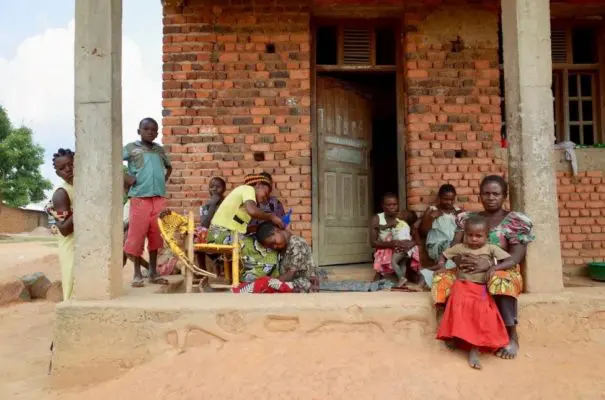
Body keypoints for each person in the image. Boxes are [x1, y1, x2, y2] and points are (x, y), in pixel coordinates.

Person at [431, 175, 535, 360]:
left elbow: (517, 256)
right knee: (443, 279)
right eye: (486, 193)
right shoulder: (468, 219)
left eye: (496, 193)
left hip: (503, 267)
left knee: (501, 282)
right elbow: (455, 247)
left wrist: (491, 264)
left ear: (504, 196)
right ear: (480, 195)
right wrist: (459, 261)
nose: (491, 197)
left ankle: (511, 335)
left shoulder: (515, 221)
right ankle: (454, 330)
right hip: (467, 269)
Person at [434, 216, 512, 370]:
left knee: (480, 313)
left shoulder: (491, 248)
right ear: (465, 234)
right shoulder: (461, 247)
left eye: (478, 236)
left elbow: (508, 261)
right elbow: (443, 255)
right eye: (470, 235)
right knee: (456, 305)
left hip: (480, 288)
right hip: (462, 285)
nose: (474, 239)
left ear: (486, 236)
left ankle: (474, 349)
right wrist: (441, 264)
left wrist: (493, 267)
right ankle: (453, 335)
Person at [207, 173, 286, 283]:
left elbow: (243, 228)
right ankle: (244, 279)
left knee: (267, 253)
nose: (264, 199)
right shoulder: (248, 189)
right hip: (222, 234)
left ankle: (263, 280)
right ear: (258, 185)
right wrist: (271, 217)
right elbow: (252, 211)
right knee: (269, 254)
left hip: (225, 235)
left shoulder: (243, 201)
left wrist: (258, 227)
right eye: (265, 194)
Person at [123, 117, 173, 287]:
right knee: (137, 235)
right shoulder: (131, 148)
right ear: (139, 131)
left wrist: (162, 181)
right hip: (139, 198)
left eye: (153, 130)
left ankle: (153, 272)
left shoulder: (159, 150)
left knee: (156, 235)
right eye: (146, 129)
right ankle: (137, 273)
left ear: (157, 133)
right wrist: (127, 177)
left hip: (157, 198)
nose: (150, 132)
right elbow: (113, 161)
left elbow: (169, 167)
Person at [231, 221, 319, 293]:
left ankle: (243, 290)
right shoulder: (284, 246)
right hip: (289, 282)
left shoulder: (297, 244)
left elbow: (290, 274)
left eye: (274, 242)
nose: (275, 247)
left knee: (266, 284)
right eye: (271, 246)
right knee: (264, 284)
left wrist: (272, 282)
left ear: (277, 230)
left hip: (304, 283)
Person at [370, 193, 419, 288]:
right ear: (383, 206)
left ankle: (403, 277)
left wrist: (409, 244)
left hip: (402, 247)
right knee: (398, 259)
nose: (392, 207)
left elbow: (415, 237)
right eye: (388, 205)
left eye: (394, 204)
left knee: (406, 256)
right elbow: (373, 243)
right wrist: (391, 244)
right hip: (386, 247)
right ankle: (383, 273)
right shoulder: (377, 218)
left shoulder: (403, 217)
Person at [45, 148, 75, 301]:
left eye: (71, 164)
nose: (68, 170)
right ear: (58, 173)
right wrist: (84, 207)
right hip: (71, 245)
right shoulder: (61, 193)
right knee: (72, 279)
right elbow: (64, 229)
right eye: (62, 168)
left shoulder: (81, 187)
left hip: (84, 244)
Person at [419, 184, 461, 263]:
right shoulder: (432, 210)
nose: (449, 202)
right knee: (452, 248)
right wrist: (431, 218)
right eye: (445, 199)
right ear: (439, 198)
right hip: (435, 246)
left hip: (453, 245)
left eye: (452, 199)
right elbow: (423, 232)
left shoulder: (458, 211)